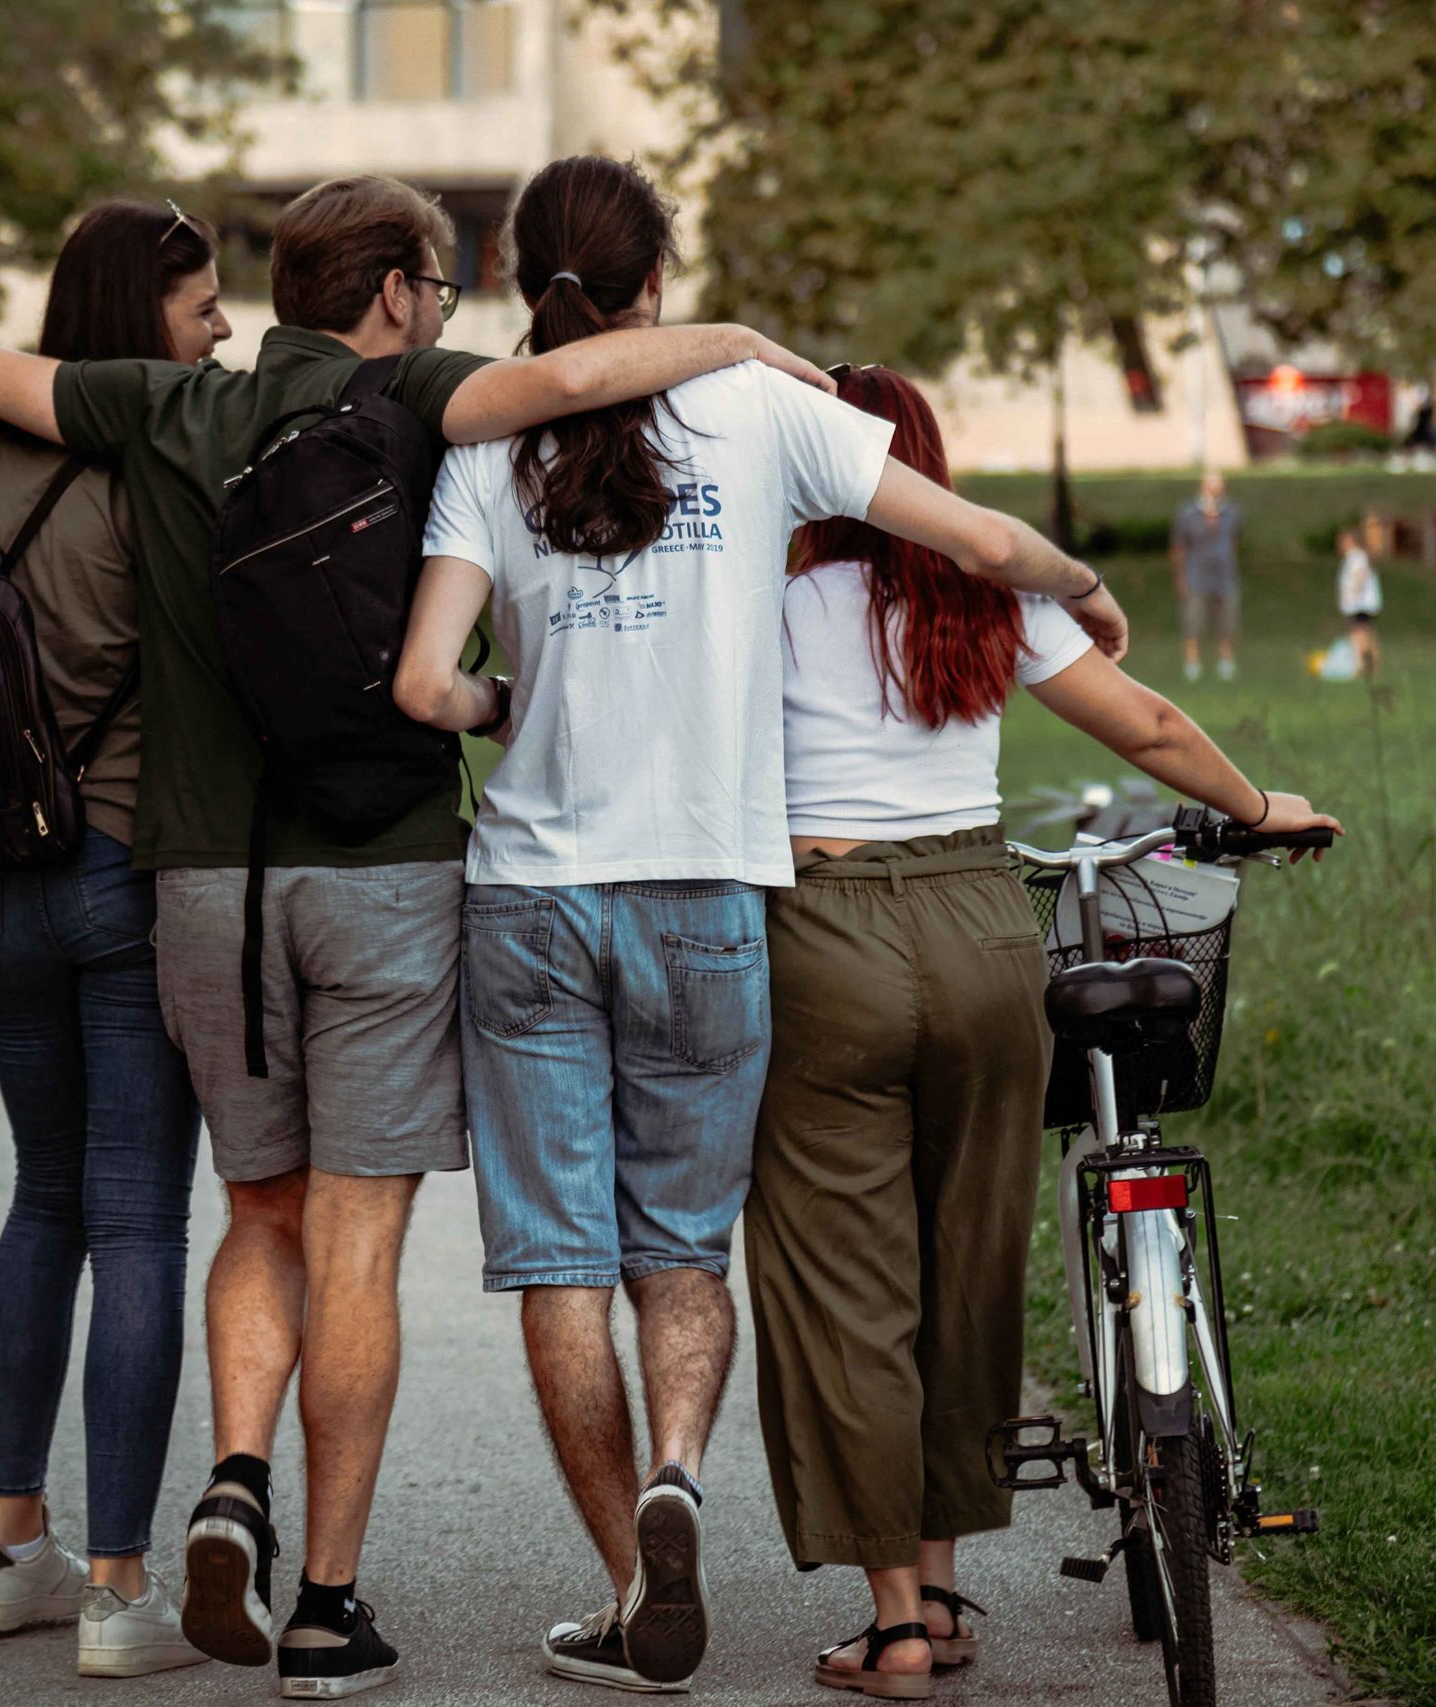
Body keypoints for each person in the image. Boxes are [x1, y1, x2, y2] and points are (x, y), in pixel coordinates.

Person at [0, 173, 834, 1699]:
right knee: (359, 1235)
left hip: (209, 877)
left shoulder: (167, 407)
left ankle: (232, 1479)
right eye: (436, 284)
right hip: (387, 873)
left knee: (258, 1215)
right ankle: (328, 1603)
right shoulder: (418, 394)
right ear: (404, 292)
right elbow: (577, 376)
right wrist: (731, 334)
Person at [388, 157, 1126, 1697]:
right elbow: (983, 546)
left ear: (526, 274)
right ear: (662, 268)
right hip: (712, 891)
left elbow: (423, 685)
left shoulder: (494, 436)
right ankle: (678, 1461)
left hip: (530, 892)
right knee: (684, 1244)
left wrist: (498, 709)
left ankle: (624, 1575)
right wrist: (1084, 586)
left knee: (558, 1262)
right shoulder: (770, 408)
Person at [755, 366, 1339, 1699]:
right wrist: (1258, 801)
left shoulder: (768, 603)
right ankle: (947, 1580)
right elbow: (1144, 723)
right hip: (981, 928)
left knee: (846, 1276)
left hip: (825, 928)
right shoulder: (985, 594)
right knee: (967, 1261)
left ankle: (895, 1621)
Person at [0, 199, 224, 1680]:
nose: (221, 330)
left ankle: (6, 1547)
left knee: (39, 1197)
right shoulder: (159, 464)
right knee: (137, 1220)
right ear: (142, 313)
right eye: (200, 305)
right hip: (124, 872)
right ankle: (119, 1588)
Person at [1169, 469, 1241, 683]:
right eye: (1211, 483)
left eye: (1218, 484)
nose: (1215, 488)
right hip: (1196, 577)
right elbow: (1178, 548)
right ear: (1203, 485)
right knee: (1194, 622)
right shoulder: (1187, 513)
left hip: (1225, 577)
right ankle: (1193, 664)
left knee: (1227, 622)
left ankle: (1226, 663)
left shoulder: (1232, 513)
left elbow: (1236, 540)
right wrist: (1180, 577)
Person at [1336, 526, 1383, 678]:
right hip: (1362, 603)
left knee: (1358, 635)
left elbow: (1359, 575)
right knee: (1366, 634)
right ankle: (1373, 665)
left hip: (1359, 604)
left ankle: (1360, 666)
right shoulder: (1356, 557)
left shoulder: (1356, 557)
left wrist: (1353, 595)